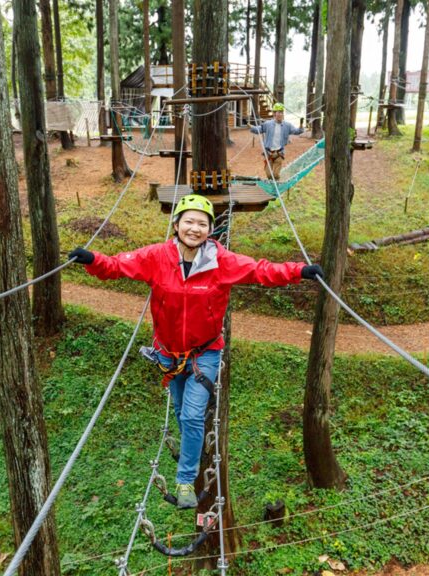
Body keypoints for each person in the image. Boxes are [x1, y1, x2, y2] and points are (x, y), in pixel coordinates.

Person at [69, 194, 322, 509]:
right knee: (180, 411)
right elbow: (120, 265)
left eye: (202, 223)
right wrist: (92, 260)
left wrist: (300, 271)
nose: (194, 228)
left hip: (205, 353)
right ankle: (189, 447)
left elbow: (261, 271)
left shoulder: (222, 261)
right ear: (176, 226)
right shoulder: (156, 257)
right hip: (168, 353)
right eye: (188, 221)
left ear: (209, 231)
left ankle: (185, 480)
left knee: (191, 416)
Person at [248, 102, 305, 180]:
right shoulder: (268, 124)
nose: (280, 114)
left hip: (279, 153)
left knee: (275, 175)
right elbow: (259, 129)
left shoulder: (287, 125)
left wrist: (301, 125)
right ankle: (272, 185)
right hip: (268, 154)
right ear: (274, 114)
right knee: (269, 175)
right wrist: (250, 126)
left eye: (281, 112)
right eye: (278, 112)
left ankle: (276, 187)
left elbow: (297, 131)